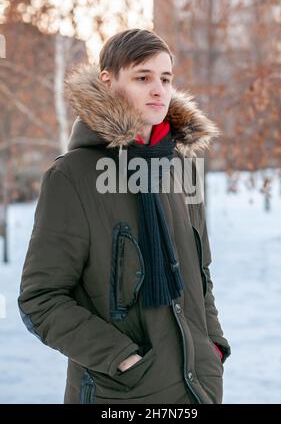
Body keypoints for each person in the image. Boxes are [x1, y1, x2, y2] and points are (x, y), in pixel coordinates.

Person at [18, 28, 231, 404]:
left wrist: (212, 346)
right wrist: (120, 357)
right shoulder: (73, 175)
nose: (158, 90)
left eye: (165, 79)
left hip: (196, 389)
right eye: (142, 77)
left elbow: (201, 274)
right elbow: (41, 299)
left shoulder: (181, 166)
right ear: (108, 80)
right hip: (119, 395)